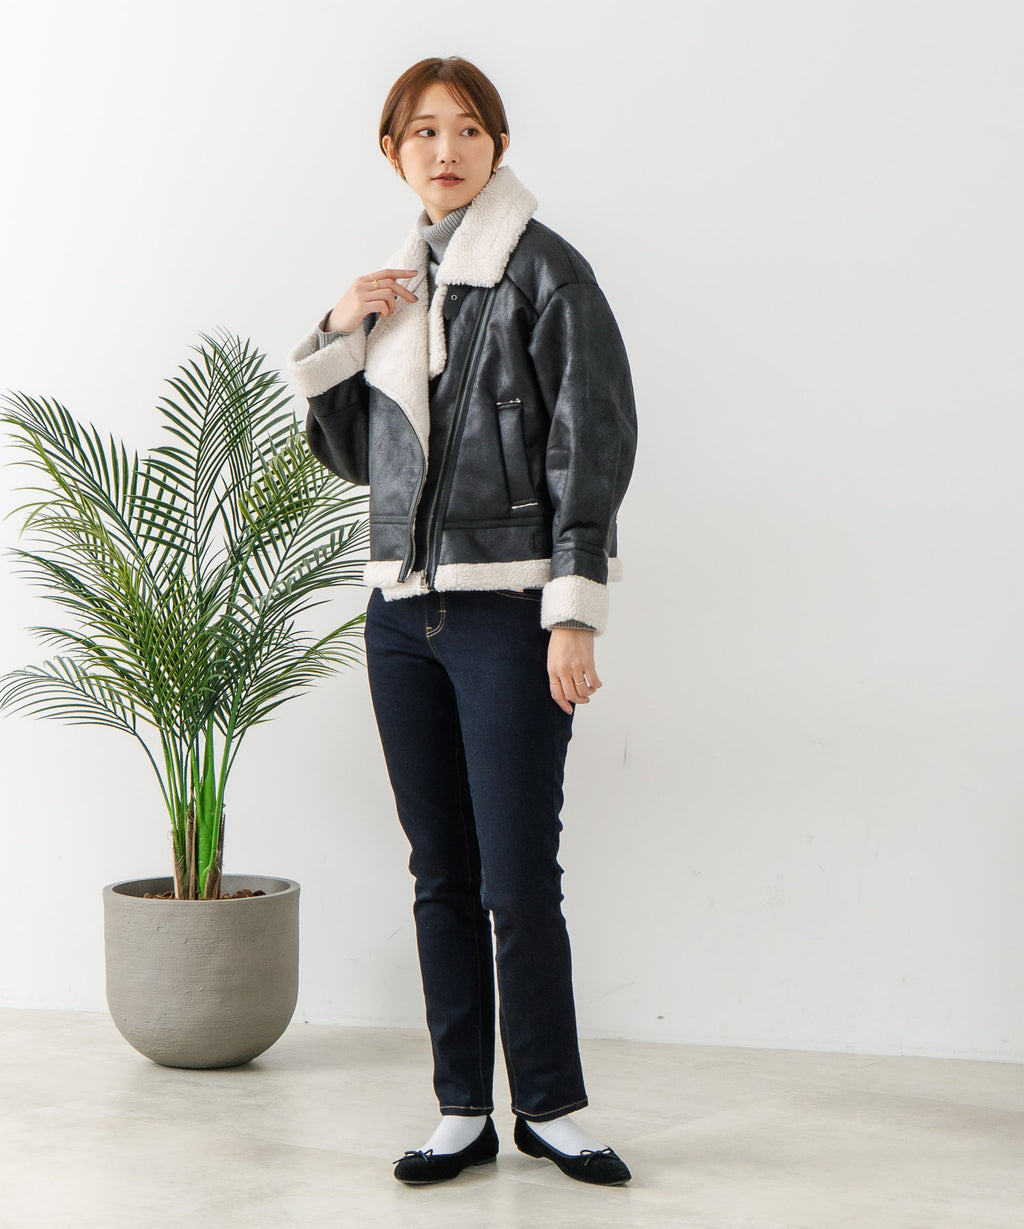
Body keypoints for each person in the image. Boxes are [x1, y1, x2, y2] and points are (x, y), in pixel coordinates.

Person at [288, 56, 637, 1187]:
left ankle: (550, 1106)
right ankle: (460, 1108)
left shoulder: (546, 271)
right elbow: (356, 457)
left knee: (517, 874)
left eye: (468, 129)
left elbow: (591, 446)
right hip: (400, 614)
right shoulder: (402, 284)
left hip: (510, 611)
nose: (446, 150)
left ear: (497, 145)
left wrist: (571, 613)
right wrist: (339, 331)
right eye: (424, 132)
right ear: (393, 152)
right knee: (439, 868)